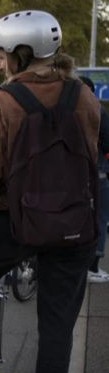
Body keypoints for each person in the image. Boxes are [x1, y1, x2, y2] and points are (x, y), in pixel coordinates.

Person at [0, 11, 100, 373]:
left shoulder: (1, 102)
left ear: (21, 54)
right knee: (57, 327)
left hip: (14, 225)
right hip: (74, 228)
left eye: (2, 55)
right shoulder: (85, 97)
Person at [79, 76, 109, 283]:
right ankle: (93, 266)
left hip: (68, 174)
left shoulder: (62, 108)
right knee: (99, 216)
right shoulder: (98, 110)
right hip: (96, 171)